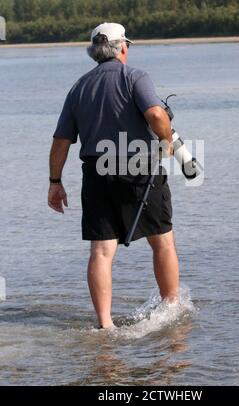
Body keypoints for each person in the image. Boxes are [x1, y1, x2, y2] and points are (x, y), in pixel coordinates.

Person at [48, 22, 180, 329]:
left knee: (102, 250)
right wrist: (167, 142)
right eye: (127, 46)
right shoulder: (136, 77)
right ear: (122, 48)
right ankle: (171, 307)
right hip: (139, 168)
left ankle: (105, 324)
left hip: (96, 172)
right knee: (162, 241)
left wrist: (55, 182)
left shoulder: (79, 87)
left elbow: (61, 141)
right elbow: (157, 114)